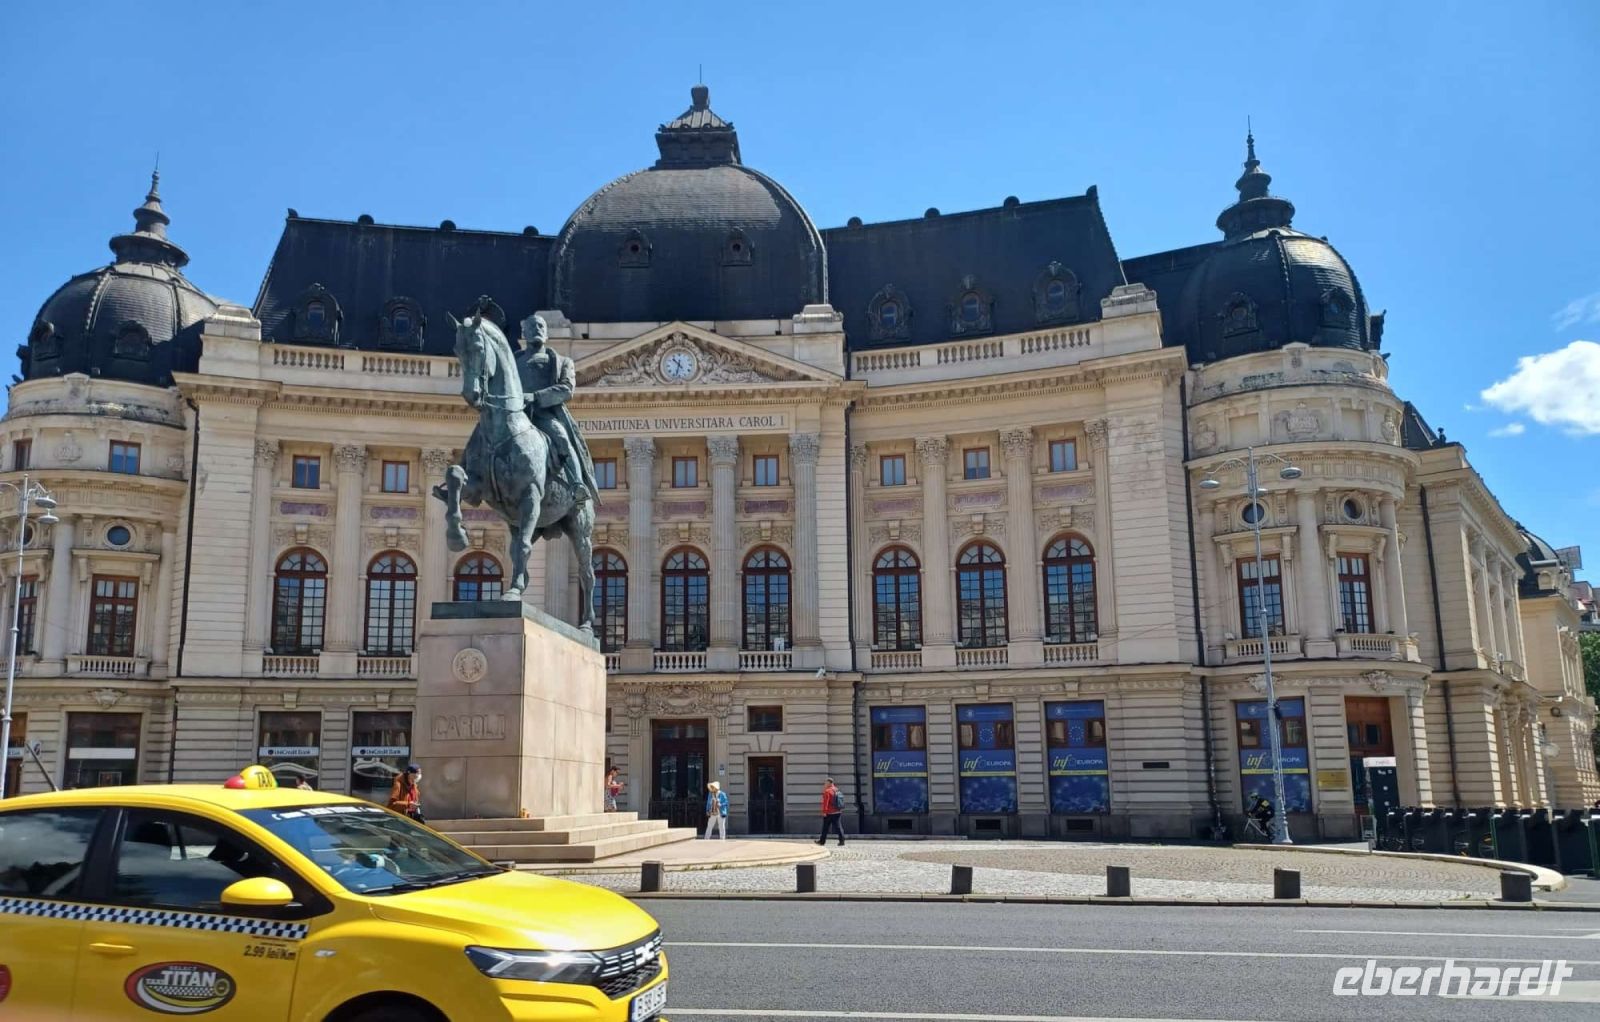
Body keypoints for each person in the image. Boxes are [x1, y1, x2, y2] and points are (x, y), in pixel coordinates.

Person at [513, 310, 599, 504]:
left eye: (541, 326)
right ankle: (467, 483)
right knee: (483, 434)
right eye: (532, 326)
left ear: (547, 334)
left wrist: (535, 397)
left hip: (545, 414)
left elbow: (566, 389)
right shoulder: (513, 363)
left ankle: (577, 484)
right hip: (516, 415)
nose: (537, 329)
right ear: (523, 332)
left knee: (562, 438)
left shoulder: (561, 362)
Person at [817, 777, 846, 846]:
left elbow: (825, 802)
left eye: (826, 782)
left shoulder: (827, 791)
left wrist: (824, 811)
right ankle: (842, 841)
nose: (825, 784)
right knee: (838, 827)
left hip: (829, 813)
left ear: (829, 783)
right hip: (838, 811)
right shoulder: (836, 790)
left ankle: (822, 841)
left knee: (825, 828)